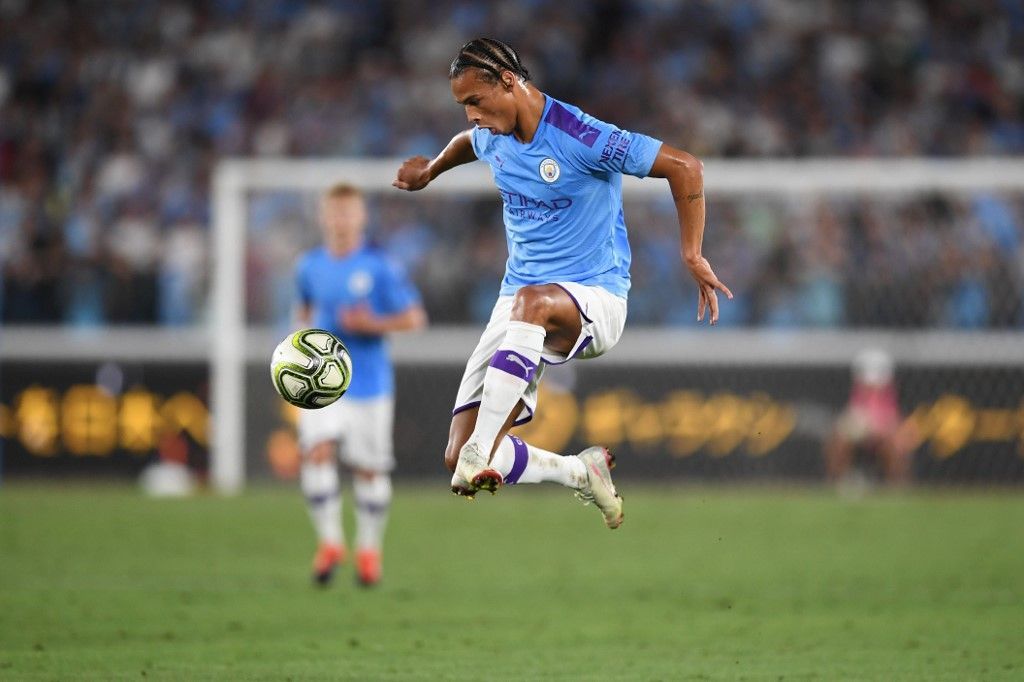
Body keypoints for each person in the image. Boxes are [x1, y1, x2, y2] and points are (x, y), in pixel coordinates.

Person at [393, 38, 731, 529]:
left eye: (474, 102)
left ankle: (478, 454)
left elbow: (685, 167)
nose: (471, 116)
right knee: (455, 451)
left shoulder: (580, 135)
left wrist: (692, 252)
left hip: (597, 297)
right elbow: (468, 145)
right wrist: (430, 169)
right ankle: (579, 471)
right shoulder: (493, 132)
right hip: (521, 304)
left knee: (481, 435)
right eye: (463, 105)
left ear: (509, 82)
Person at [294, 183, 426, 586]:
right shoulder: (309, 266)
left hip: (369, 382)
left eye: (348, 212)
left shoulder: (380, 266)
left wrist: (372, 324)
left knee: (368, 471)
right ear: (322, 217)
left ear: (361, 217)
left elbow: (414, 318)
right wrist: (299, 349)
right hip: (322, 380)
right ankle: (331, 542)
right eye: (333, 212)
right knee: (316, 451)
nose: (340, 220)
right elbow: (301, 312)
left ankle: (369, 550)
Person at [826, 348, 915, 487]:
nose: (872, 385)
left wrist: (882, 430)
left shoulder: (895, 392)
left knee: (896, 445)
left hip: (884, 437)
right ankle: (837, 484)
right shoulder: (854, 391)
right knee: (839, 441)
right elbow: (850, 419)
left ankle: (898, 487)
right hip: (860, 436)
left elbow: (896, 423)